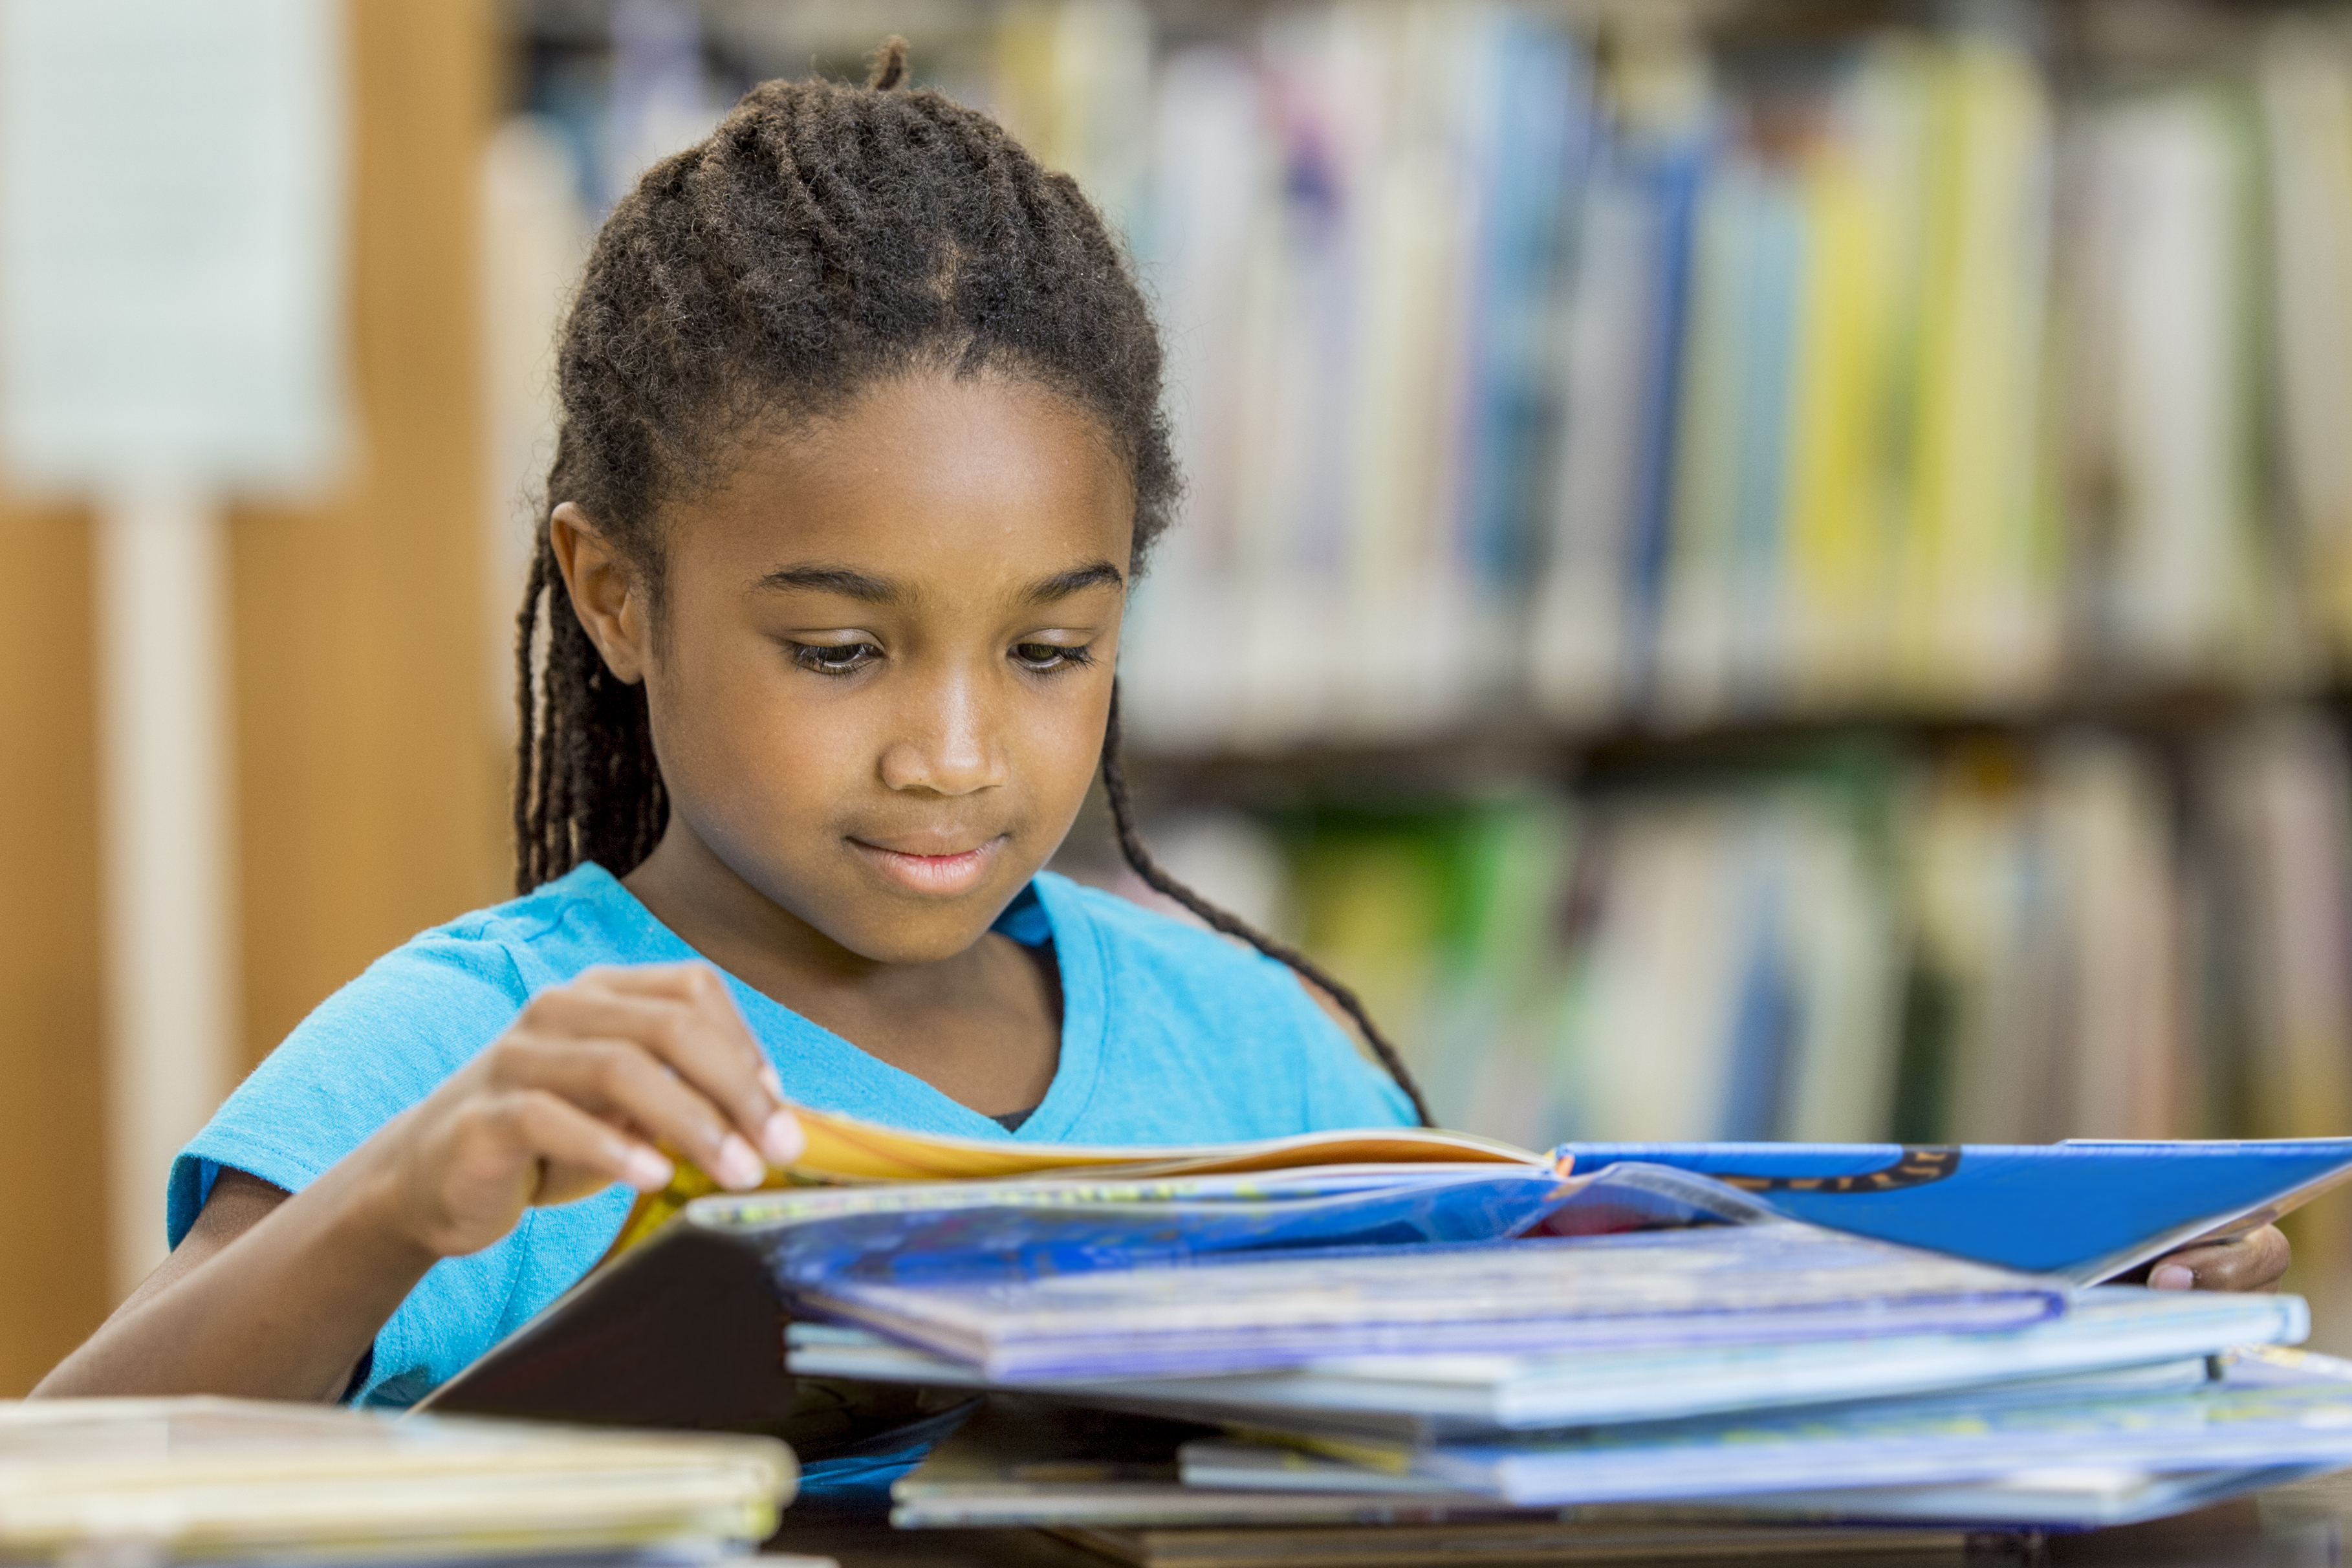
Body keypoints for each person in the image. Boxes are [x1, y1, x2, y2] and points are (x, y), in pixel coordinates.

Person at [37, 41, 2285, 1426]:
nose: (952, 755)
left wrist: (2057, 1328)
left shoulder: (1262, 1060)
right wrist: (383, 1220)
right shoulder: (486, 1062)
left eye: (1046, 651)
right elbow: (69, 1476)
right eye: (839, 653)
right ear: (614, 595)